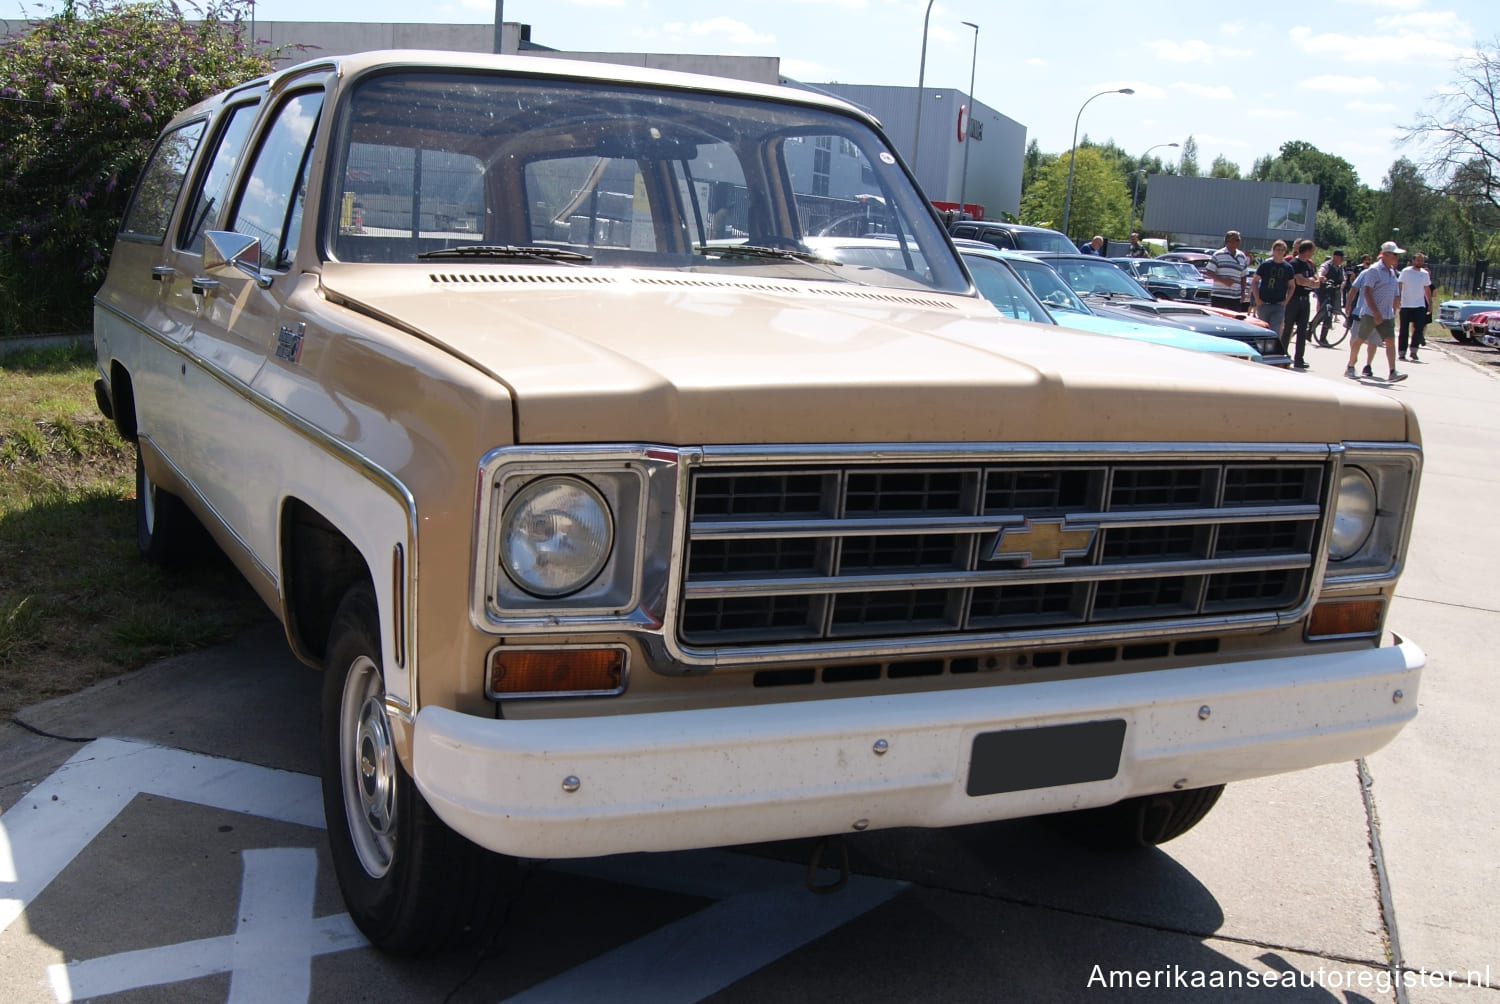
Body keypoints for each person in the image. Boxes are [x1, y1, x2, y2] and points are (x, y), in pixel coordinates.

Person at [1344, 241, 1407, 383]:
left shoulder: (1392, 272)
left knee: (1390, 341)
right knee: (1359, 339)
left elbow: (1394, 292)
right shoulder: (1374, 270)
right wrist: (1376, 312)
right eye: (1394, 254)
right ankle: (1350, 366)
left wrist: (1395, 306)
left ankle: (1392, 371)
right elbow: (1367, 292)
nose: (1397, 257)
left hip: (1387, 314)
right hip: (1371, 314)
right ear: (1385, 255)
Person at [1283, 239, 1319, 369]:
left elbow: (1317, 280)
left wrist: (1310, 281)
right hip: (1293, 299)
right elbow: (1299, 281)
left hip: (1305, 299)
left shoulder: (1309, 265)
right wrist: (1311, 282)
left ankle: (1299, 359)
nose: (1313, 254)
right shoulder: (1295, 263)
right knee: (1288, 329)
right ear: (1307, 250)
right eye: (1312, 251)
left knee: (1302, 330)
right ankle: (1283, 355)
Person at [1249, 239, 1293, 338]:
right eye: (1278, 249)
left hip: (1278, 304)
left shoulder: (1288, 268)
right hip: (1264, 303)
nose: (1280, 252)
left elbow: (1291, 286)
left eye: (1282, 250)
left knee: (1275, 330)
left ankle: (1273, 351)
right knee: (1263, 330)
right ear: (1273, 250)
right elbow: (1255, 281)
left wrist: (1286, 301)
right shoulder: (1265, 265)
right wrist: (1257, 299)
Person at [1397, 252, 1432, 362]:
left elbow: (1427, 288)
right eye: (1418, 260)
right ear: (1413, 261)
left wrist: (1429, 303)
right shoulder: (1406, 271)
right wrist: (1398, 298)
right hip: (1406, 304)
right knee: (1404, 329)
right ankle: (1402, 352)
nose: (1420, 262)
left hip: (1419, 305)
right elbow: (1400, 285)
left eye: (1421, 260)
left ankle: (1414, 350)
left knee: (1419, 329)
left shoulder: (1424, 274)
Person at [1206, 230, 1250, 312]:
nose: (1239, 242)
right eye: (1236, 240)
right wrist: (1223, 281)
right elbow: (1209, 272)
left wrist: (1243, 292)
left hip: (1235, 297)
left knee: (1234, 321)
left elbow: (1243, 275)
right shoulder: (1218, 255)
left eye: (1239, 240)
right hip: (1219, 296)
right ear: (1228, 241)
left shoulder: (1242, 256)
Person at [1314, 249, 1346, 345]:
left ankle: (1313, 329)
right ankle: (1321, 337)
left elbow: (1344, 279)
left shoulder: (1340, 268)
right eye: (1341, 258)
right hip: (1324, 292)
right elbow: (1321, 271)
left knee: (1329, 313)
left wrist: (1342, 285)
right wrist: (1321, 277)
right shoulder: (1327, 265)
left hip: (1334, 293)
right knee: (1326, 313)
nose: (1342, 260)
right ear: (1336, 257)